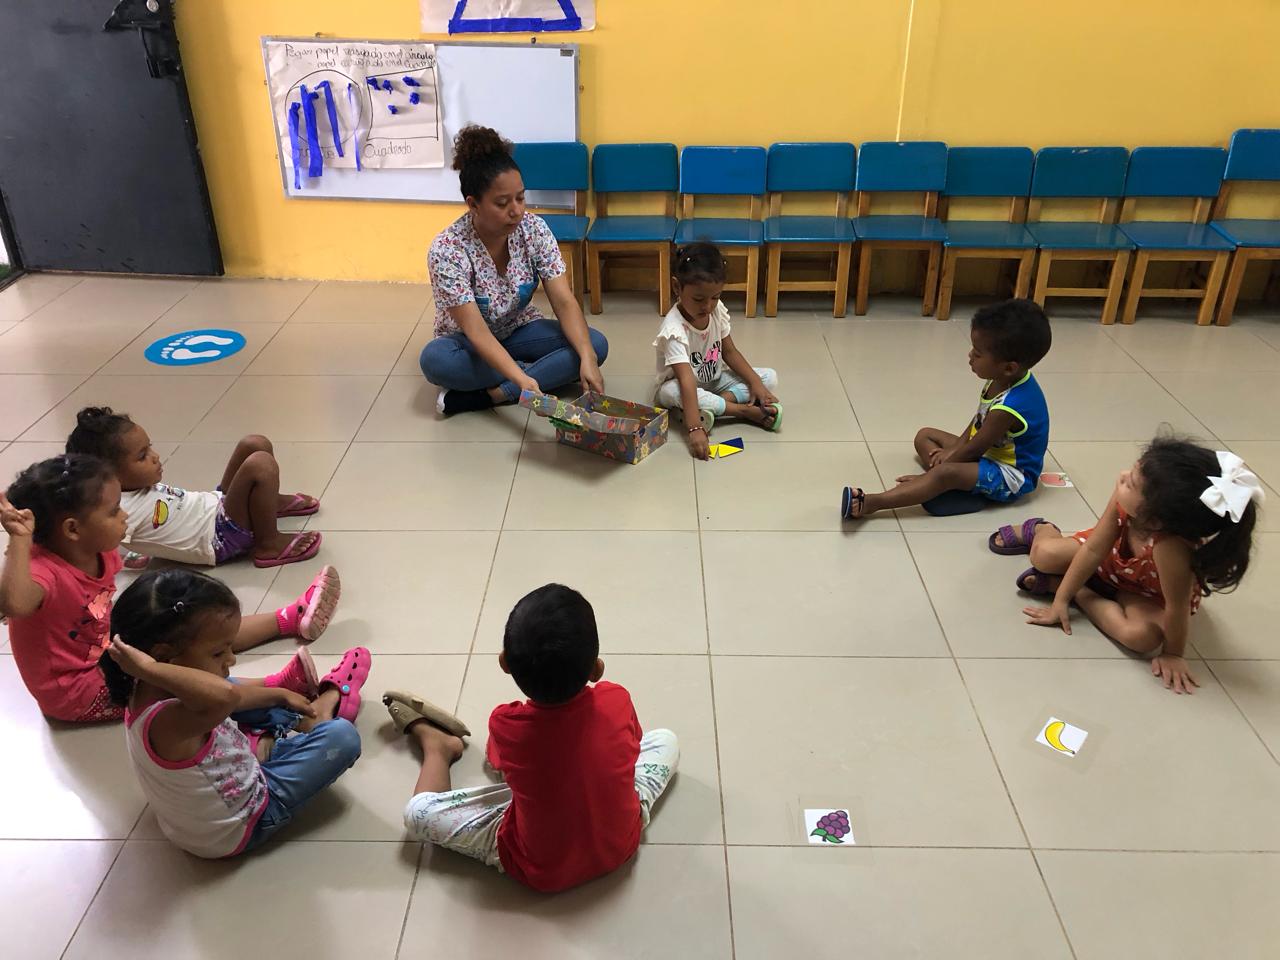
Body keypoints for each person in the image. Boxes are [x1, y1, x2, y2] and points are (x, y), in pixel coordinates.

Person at [0, 454, 341, 723]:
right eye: (114, 510)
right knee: (173, 669)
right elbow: (14, 603)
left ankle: (289, 617)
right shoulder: (42, 571)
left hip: (109, 649)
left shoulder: (98, 549)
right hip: (78, 692)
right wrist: (19, 539)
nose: (125, 516)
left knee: (190, 625)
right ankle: (275, 687)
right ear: (73, 529)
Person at [389, 583, 679, 893]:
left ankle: (439, 749)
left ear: (504, 663)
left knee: (417, 814)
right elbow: (633, 744)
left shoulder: (505, 723)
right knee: (666, 740)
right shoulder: (616, 699)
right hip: (621, 844)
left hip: (540, 868)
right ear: (597, 670)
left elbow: (496, 760)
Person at [101, 570, 369, 857]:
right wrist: (151, 668)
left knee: (224, 686)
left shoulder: (142, 687)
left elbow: (228, 695)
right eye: (218, 653)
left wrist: (279, 694)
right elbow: (227, 698)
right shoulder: (165, 721)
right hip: (244, 823)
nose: (232, 658)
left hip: (219, 790)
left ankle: (280, 729)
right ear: (163, 658)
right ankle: (310, 719)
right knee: (342, 737)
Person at [1008, 438, 1263, 694]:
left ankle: (1081, 593)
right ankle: (1042, 529)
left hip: (1145, 592)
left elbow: (1177, 608)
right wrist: (1060, 601)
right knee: (1043, 555)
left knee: (1141, 637)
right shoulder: (1125, 500)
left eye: (1131, 482)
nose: (1122, 476)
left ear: (1153, 520)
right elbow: (1094, 549)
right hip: (1109, 562)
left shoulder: (1171, 548)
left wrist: (1173, 654)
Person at [420, 125, 608, 416]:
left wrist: (587, 357)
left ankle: (491, 395)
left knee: (594, 345)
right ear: (473, 204)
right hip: (467, 342)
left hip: (519, 330)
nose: (517, 210)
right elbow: (476, 332)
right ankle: (536, 373)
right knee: (436, 361)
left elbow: (563, 301)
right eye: (502, 203)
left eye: (520, 197)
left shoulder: (534, 229)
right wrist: (523, 381)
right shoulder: (447, 250)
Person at [841, 298, 1051, 519]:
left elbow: (974, 449)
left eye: (978, 354)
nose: (970, 356)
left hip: (1010, 475)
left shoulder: (1010, 406)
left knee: (944, 472)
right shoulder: (1003, 378)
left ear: (1009, 367)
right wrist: (955, 448)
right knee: (925, 436)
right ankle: (949, 486)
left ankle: (873, 502)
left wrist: (934, 473)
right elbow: (978, 422)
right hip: (988, 452)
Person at [66, 406, 322, 569]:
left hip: (216, 506)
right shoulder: (121, 508)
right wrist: (140, 552)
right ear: (110, 475)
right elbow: (98, 541)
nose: (155, 457)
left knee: (254, 443)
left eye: (149, 448)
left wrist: (147, 551)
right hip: (218, 537)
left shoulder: (135, 487)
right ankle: (268, 544)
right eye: (142, 456)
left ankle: (268, 502)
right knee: (261, 464)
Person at [654, 242, 782, 459]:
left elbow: (730, 352)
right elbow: (686, 380)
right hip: (681, 385)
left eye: (715, 297)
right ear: (677, 287)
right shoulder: (673, 330)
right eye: (698, 299)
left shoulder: (716, 310)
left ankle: (713, 406)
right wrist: (695, 428)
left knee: (769, 377)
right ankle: (741, 411)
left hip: (714, 380)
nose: (708, 306)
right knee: (669, 392)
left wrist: (756, 383)